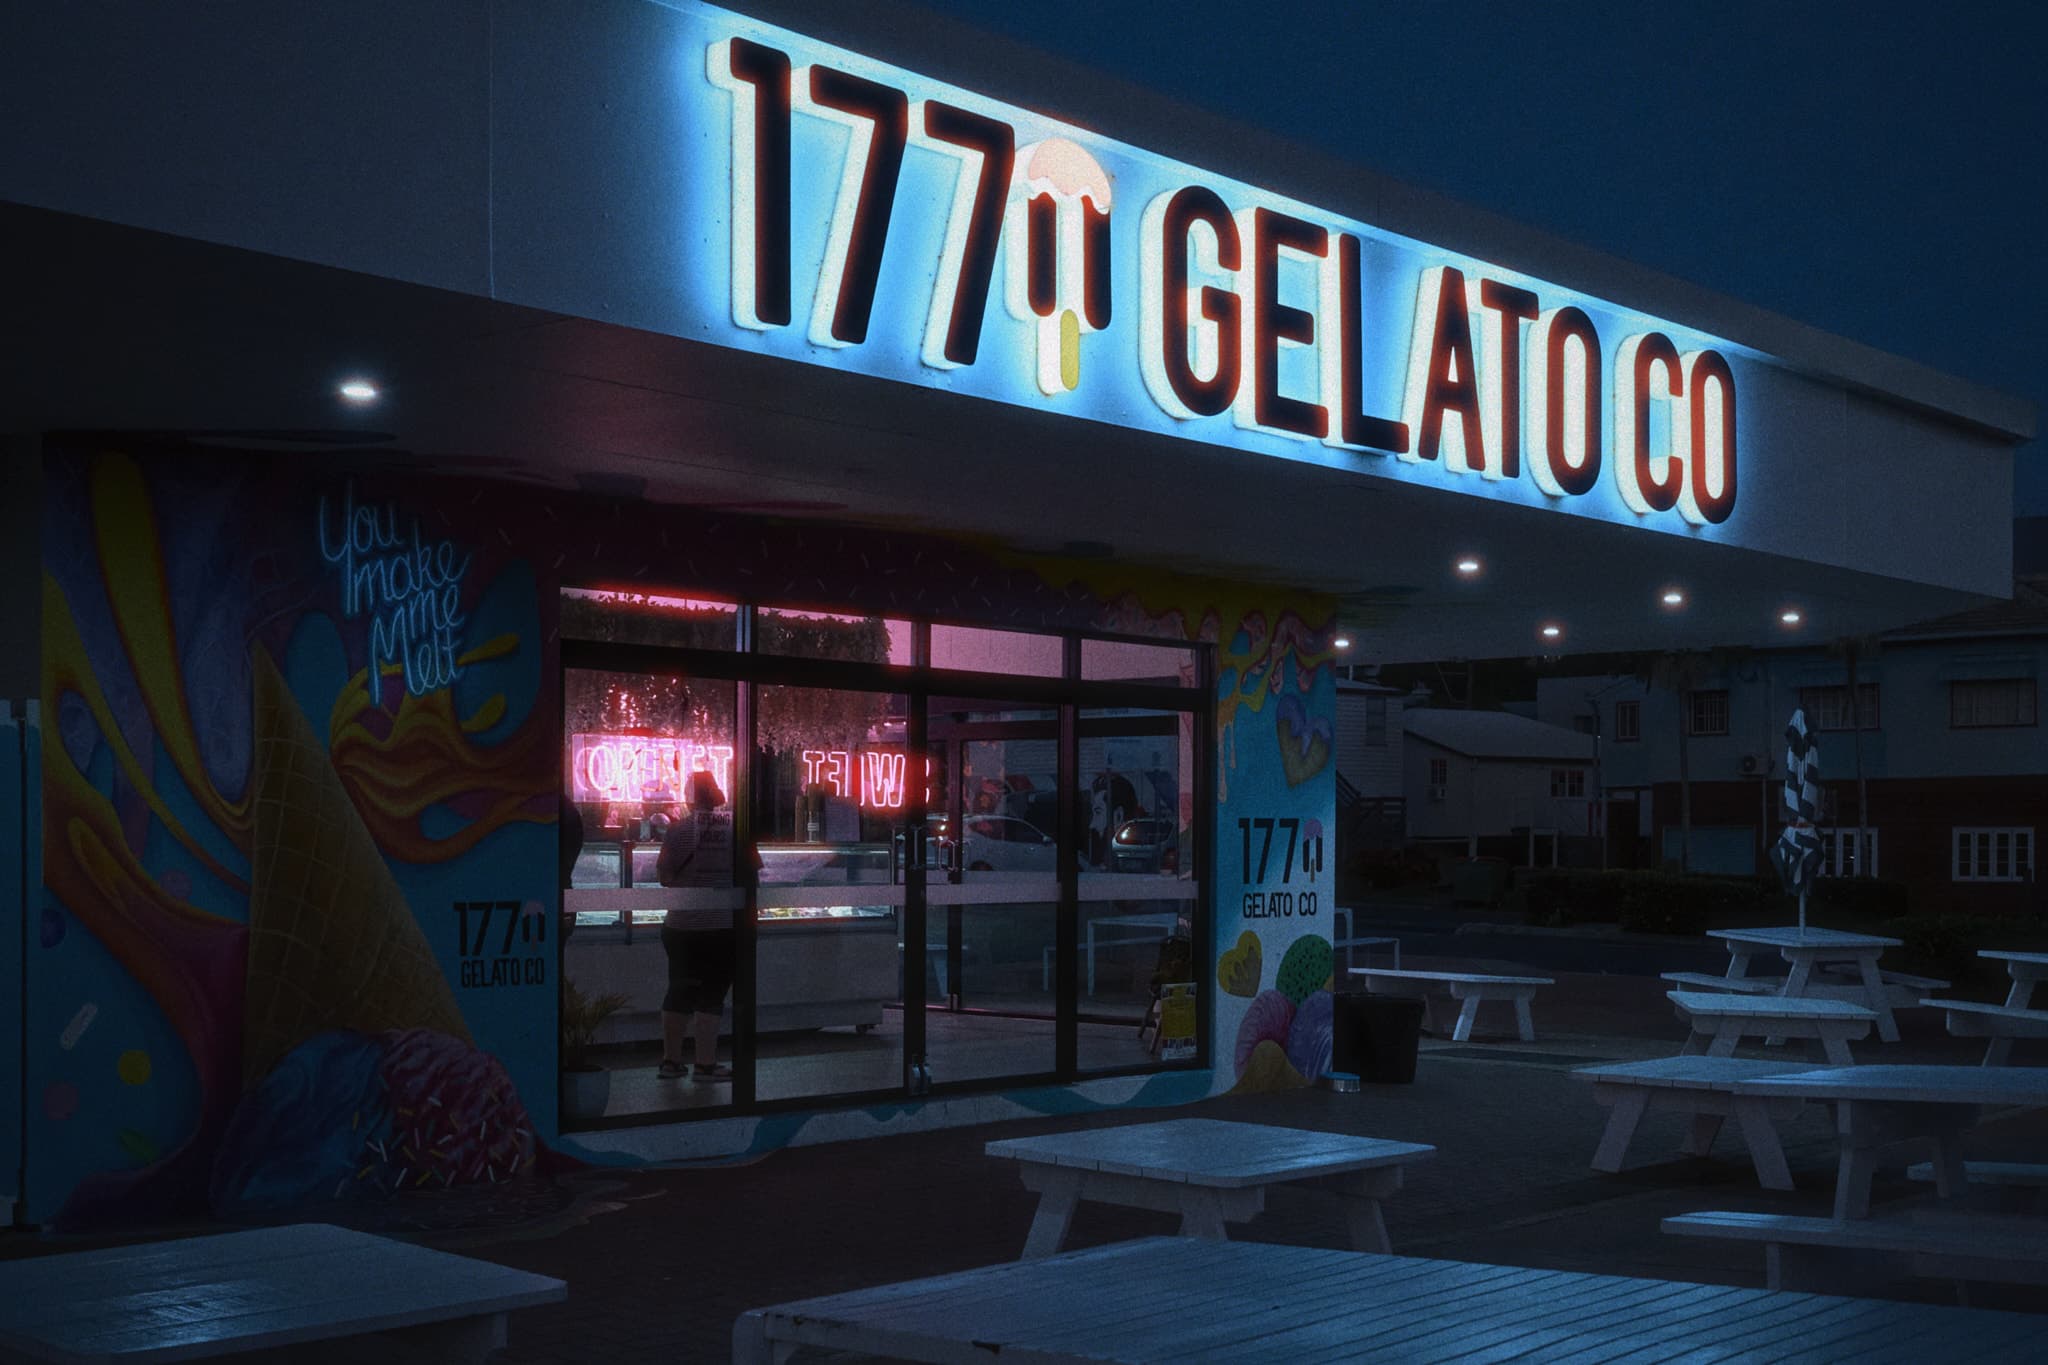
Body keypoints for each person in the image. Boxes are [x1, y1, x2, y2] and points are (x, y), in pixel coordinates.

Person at [655, 758, 734, 1082]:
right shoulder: (734, 829)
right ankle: (705, 1065)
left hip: (681, 926)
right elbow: (753, 871)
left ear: (690, 796)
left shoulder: (677, 830)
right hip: (720, 925)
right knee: (712, 995)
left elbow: (663, 875)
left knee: (679, 990)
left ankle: (671, 1062)